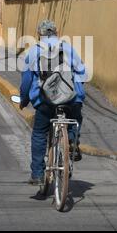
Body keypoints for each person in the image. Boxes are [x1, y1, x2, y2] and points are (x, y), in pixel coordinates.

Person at [20, 20, 87, 185]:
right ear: (57, 33)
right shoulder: (68, 48)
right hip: (70, 101)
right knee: (75, 118)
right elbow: (82, 73)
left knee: (39, 133)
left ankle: (37, 174)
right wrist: (77, 94)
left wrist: (24, 100)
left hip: (45, 102)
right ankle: (71, 140)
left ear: (39, 35)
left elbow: (27, 80)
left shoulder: (33, 51)